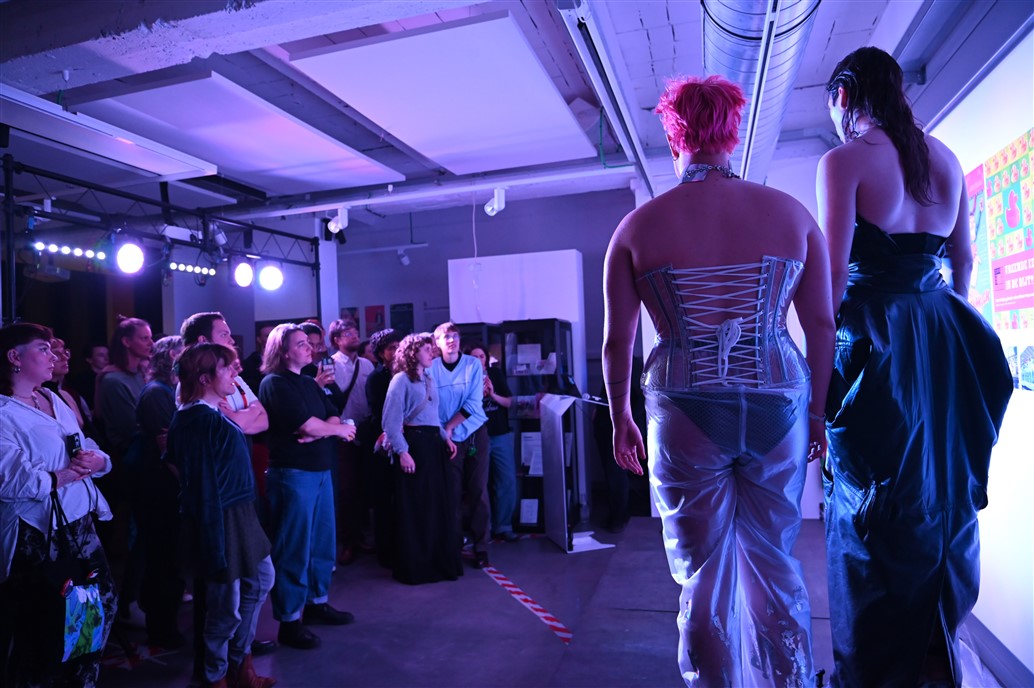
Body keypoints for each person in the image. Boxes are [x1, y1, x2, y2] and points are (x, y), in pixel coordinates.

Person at [603, 75, 835, 687]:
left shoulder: (637, 228)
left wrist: (620, 418)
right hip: (778, 401)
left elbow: (617, 343)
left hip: (684, 405)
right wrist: (817, 416)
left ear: (673, 136)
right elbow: (821, 325)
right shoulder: (791, 214)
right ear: (732, 133)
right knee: (774, 561)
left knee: (702, 575)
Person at [816, 47, 1013, 687]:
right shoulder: (945, 159)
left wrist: (818, 397)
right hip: (943, 335)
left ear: (844, 97)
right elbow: (964, 265)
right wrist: (942, 327)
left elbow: (832, 281)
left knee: (873, 503)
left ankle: (876, 669)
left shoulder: (843, 161)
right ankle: (936, 656)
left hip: (876, 340)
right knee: (942, 493)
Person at [0, 323, 116, 687]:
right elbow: (10, 481)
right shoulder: (3, 412)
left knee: (96, 609)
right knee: (46, 625)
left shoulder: (53, 398)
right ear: (15, 357)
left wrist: (97, 461)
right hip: (37, 532)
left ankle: (81, 681)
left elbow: (84, 445)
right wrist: (64, 475)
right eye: (43, 349)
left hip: (79, 522)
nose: (54, 356)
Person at [167, 343, 275, 688]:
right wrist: (213, 541)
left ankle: (239, 662)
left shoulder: (210, 414)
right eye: (226, 368)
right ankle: (216, 676)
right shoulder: (197, 420)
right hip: (221, 519)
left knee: (260, 581)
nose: (235, 373)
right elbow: (197, 484)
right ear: (204, 378)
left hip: (240, 513)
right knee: (224, 607)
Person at [258, 324, 357, 650]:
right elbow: (309, 424)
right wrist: (330, 430)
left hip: (320, 469)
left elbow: (331, 416)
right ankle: (289, 621)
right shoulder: (274, 383)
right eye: (301, 344)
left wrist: (322, 431)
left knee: (322, 543)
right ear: (283, 351)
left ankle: (317, 603)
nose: (309, 348)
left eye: (308, 343)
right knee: (294, 547)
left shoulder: (307, 381)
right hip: (293, 473)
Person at [381, 333, 461, 584]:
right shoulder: (400, 380)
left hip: (432, 447)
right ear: (413, 352)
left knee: (435, 506)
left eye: (431, 349)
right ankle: (417, 567)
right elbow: (390, 422)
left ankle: (436, 563)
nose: (432, 353)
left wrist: (444, 437)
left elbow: (432, 417)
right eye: (427, 349)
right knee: (416, 508)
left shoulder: (428, 378)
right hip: (414, 446)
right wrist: (403, 452)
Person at [134, 335, 185, 648]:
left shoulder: (169, 390)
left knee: (171, 560)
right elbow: (168, 447)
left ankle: (166, 624)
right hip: (159, 487)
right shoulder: (156, 392)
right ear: (170, 357)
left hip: (169, 485)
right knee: (162, 559)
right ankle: (161, 629)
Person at [429, 323, 490, 569]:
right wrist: (444, 433)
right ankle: (453, 547)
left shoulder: (473, 365)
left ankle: (481, 547)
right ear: (437, 342)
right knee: (451, 493)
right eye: (446, 337)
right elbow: (428, 403)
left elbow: (474, 403)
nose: (452, 340)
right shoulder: (431, 368)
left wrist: (450, 427)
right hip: (445, 437)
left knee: (478, 491)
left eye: (455, 336)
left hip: (473, 432)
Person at [327, 319, 375, 565]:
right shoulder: (330, 365)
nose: (355, 336)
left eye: (356, 332)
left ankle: (362, 536)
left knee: (365, 485)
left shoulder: (367, 364)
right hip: (342, 434)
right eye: (348, 333)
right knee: (346, 489)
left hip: (366, 430)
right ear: (336, 340)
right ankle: (348, 541)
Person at [464, 343, 518, 542]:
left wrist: (492, 394)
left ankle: (503, 526)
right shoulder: (464, 377)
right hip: (476, 436)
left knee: (507, 480)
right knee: (480, 483)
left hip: (500, 434)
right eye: (474, 356)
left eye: (482, 356)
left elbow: (509, 402)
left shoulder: (495, 374)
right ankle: (482, 529)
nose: (479, 360)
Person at [365, 328, 404, 567]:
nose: (397, 351)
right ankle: (386, 552)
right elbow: (380, 414)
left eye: (399, 346)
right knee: (384, 499)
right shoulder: (376, 379)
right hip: (383, 444)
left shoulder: (408, 373)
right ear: (381, 353)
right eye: (391, 348)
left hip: (406, 442)